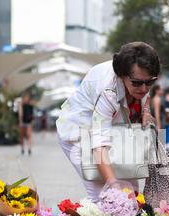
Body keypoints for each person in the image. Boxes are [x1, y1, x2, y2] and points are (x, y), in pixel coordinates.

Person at [56, 42, 159, 202]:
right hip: (78, 133)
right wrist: (112, 183)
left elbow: (145, 92)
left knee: (132, 193)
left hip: (114, 131)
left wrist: (146, 111)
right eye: (137, 83)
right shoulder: (108, 91)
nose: (144, 88)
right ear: (122, 75)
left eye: (150, 82)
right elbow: (99, 143)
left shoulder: (140, 76)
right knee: (103, 195)